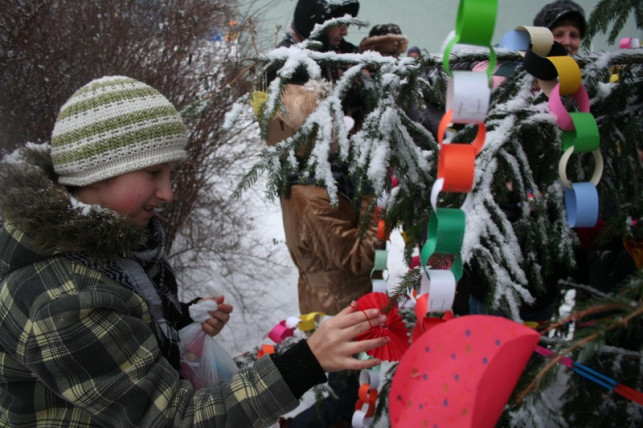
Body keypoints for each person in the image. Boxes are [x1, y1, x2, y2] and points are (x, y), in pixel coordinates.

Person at [0, 75, 389, 427]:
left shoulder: (115, 242)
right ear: (94, 172)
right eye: (154, 173)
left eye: (170, 173)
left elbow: (125, 333)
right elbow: (174, 419)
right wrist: (304, 363)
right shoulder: (62, 302)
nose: (168, 193)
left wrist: (180, 320)